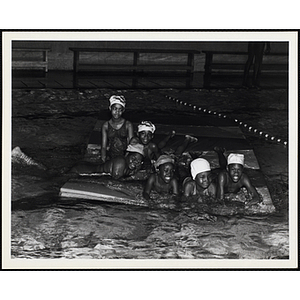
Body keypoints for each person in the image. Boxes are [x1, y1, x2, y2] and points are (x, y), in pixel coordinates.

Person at [71, 143, 144, 180]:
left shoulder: (135, 166)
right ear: (127, 154)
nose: (135, 162)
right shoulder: (120, 162)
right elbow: (115, 182)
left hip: (89, 168)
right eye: (133, 158)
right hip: (80, 171)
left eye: (138, 161)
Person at [101, 95, 134, 162]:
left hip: (125, 156)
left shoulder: (128, 125)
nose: (117, 112)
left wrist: (127, 159)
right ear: (110, 108)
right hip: (111, 156)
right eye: (115, 109)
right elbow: (104, 147)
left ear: (123, 110)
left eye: (120, 109)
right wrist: (103, 159)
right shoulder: (106, 126)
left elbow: (132, 145)